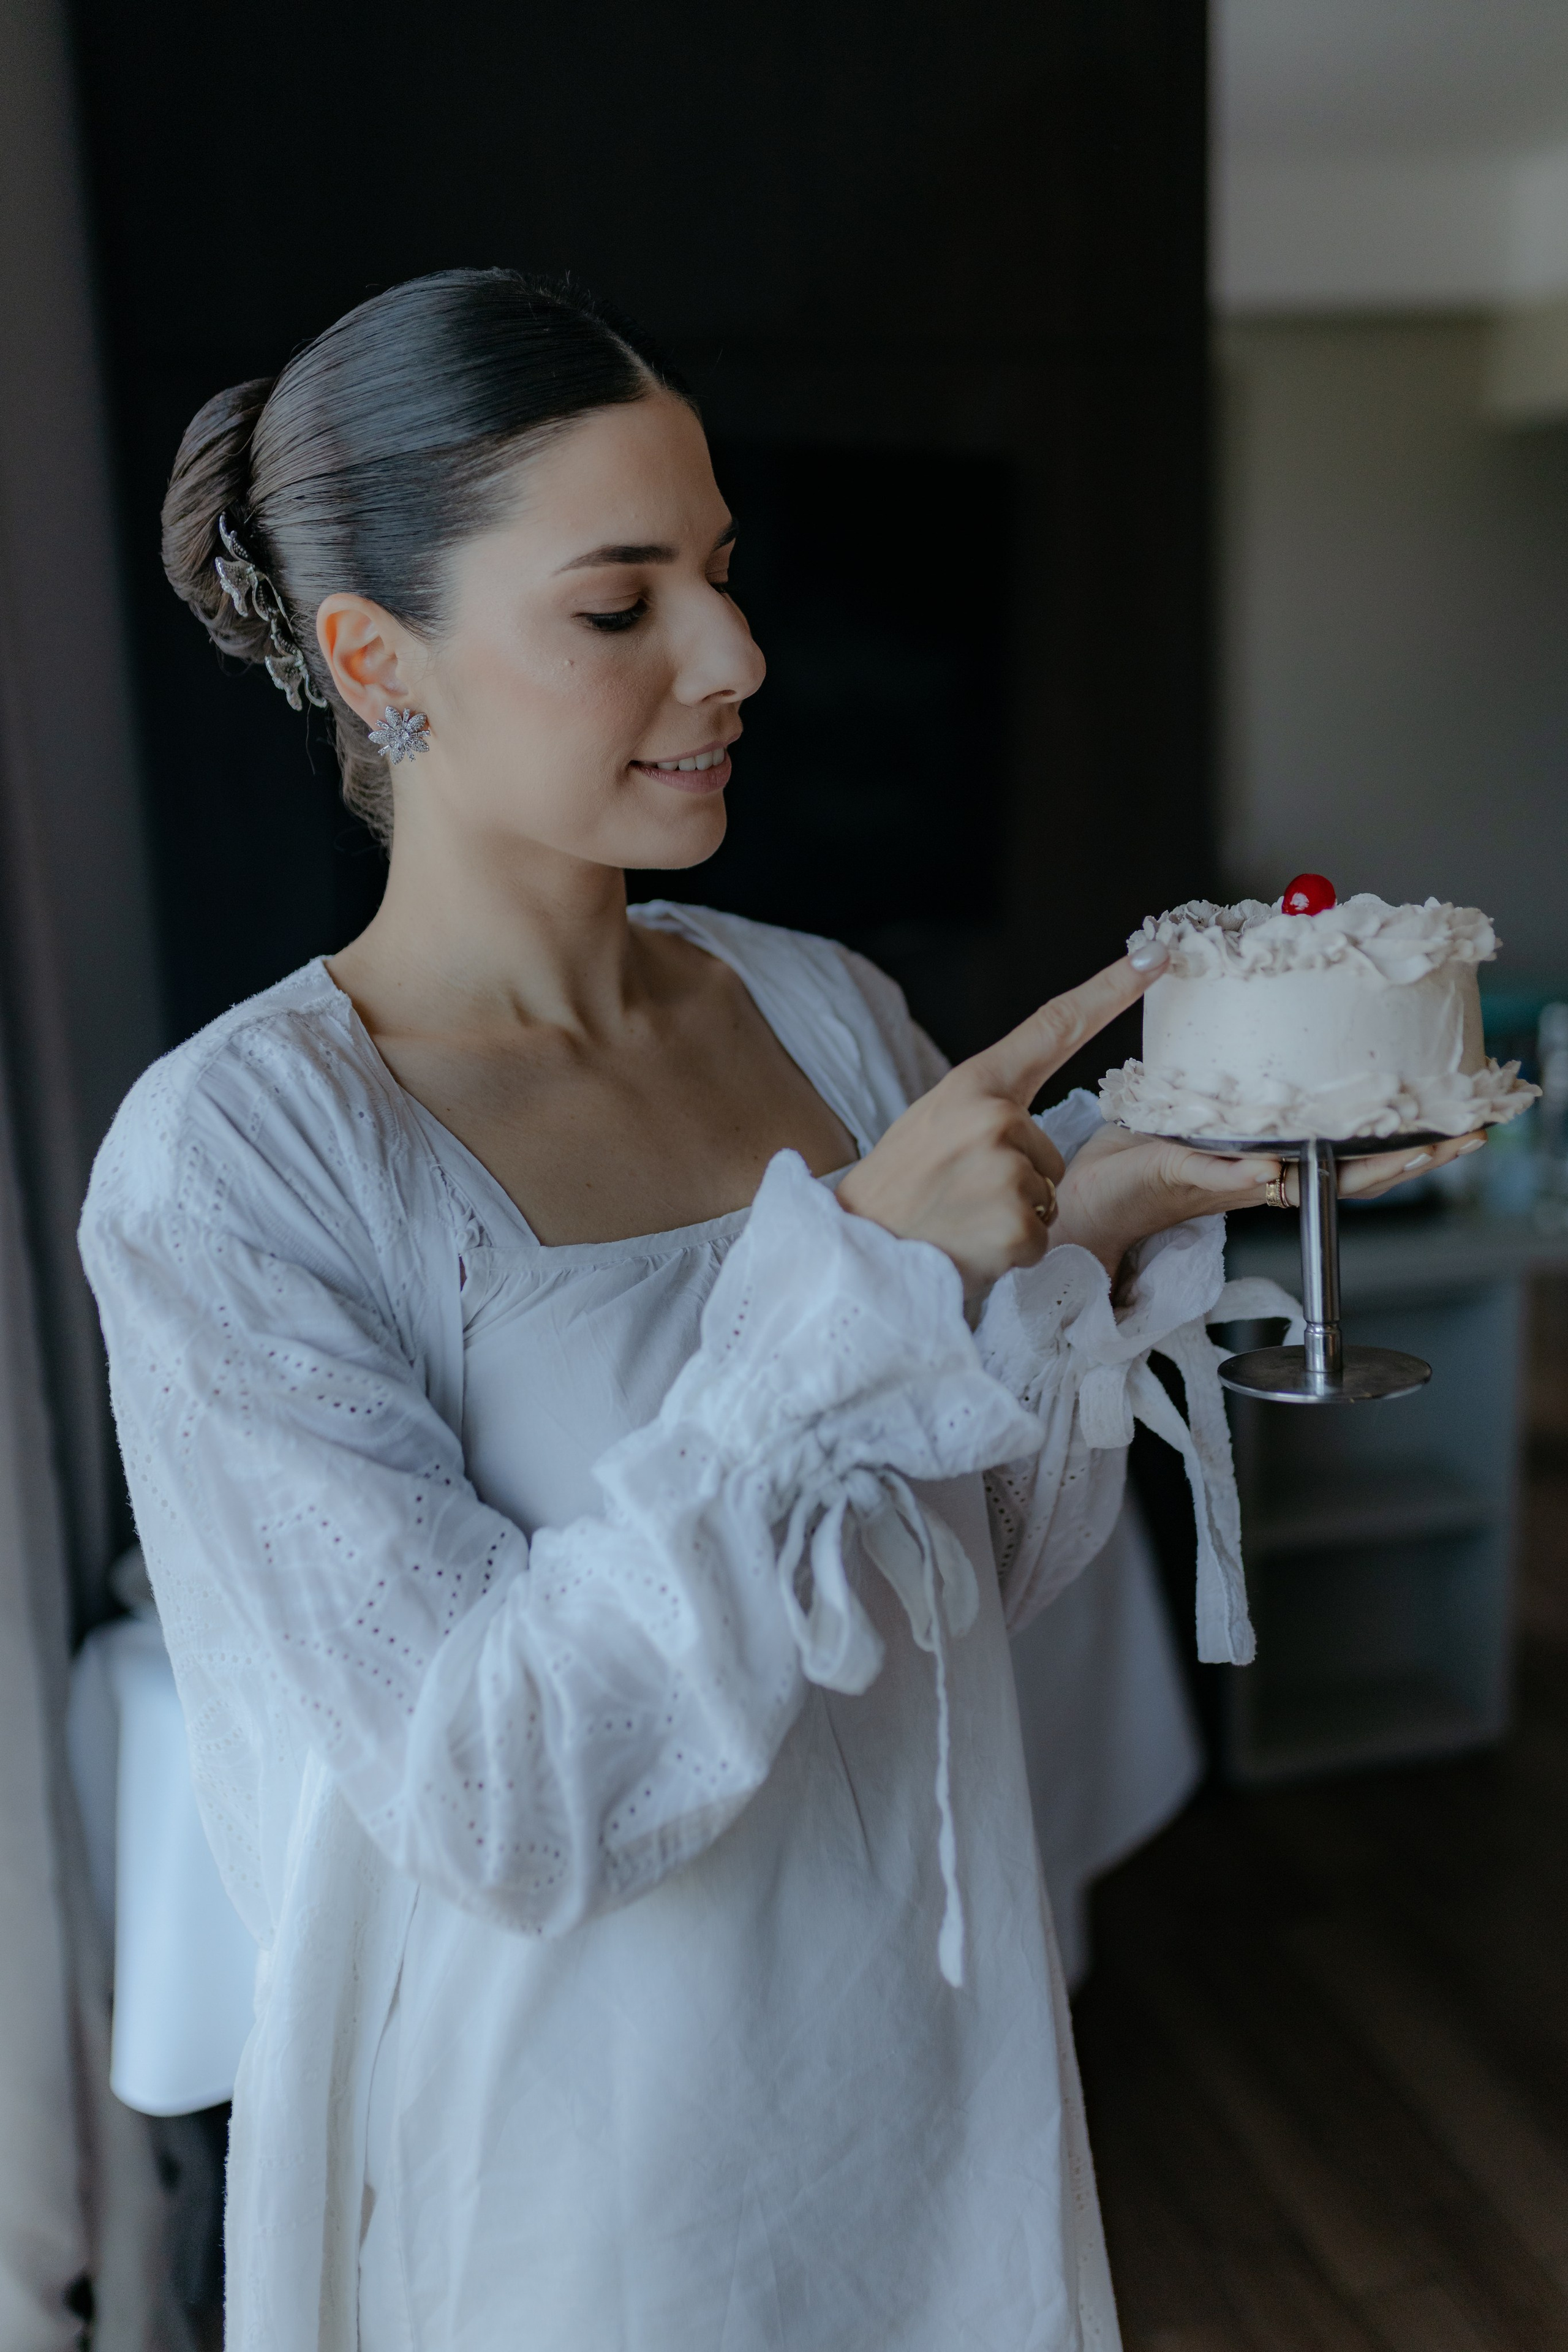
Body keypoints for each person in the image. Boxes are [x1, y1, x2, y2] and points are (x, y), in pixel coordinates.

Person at [78, 269, 1471, 2352]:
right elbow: (499, 1799)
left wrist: (1087, 1243)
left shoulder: (824, 1008)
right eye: (620, 605)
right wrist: (871, 1290)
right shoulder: (240, 1161)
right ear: (382, 661)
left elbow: (969, 1586)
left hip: (930, 2075)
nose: (736, 656)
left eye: (722, 577)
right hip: (588, 2180)